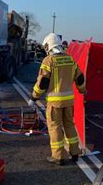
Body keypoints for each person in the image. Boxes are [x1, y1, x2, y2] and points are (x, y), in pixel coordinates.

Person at [28, 33, 86, 165]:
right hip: (69, 102)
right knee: (70, 126)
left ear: (49, 45)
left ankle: (58, 156)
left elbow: (42, 83)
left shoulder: (49, 60)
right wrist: (83, 90)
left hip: (55, 103)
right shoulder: (70, 59)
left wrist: (33, 97)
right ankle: (75, 152)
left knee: (55, 128)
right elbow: (80, 78)